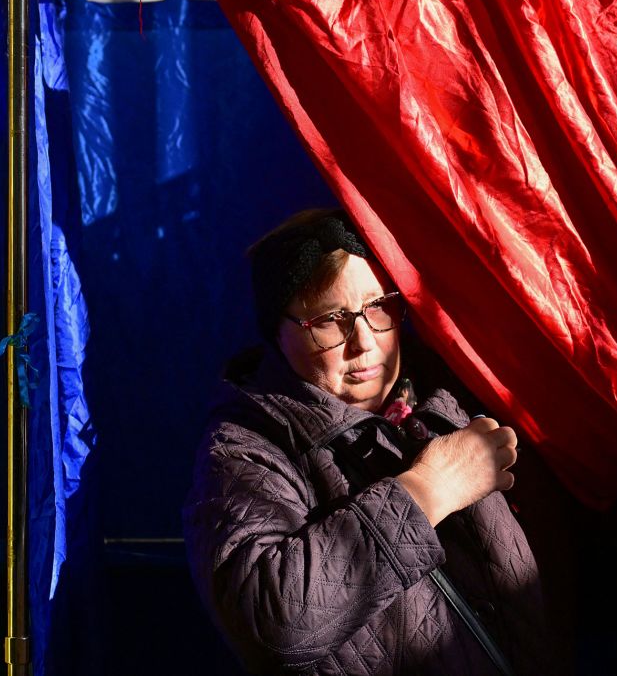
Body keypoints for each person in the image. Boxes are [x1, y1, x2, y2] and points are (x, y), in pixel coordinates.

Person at [183, 208, 573, 675]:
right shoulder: (245, 448)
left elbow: (566, 562)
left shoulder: (453, 391)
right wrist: (430, 490)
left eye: (379, 306)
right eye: (330, 320)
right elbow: (271, 626)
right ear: (277, 332)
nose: (364, 341)